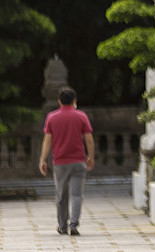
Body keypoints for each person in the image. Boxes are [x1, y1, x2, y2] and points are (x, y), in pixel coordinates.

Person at [39, 87, 95, 236]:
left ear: (59, 101)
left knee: (61, 195)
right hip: (78, 161)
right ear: (74, 101)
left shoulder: (52, 117)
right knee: (76, 195)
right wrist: (91, 156)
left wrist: (43, 159)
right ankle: (74, 225)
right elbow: (89, 139)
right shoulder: (81, 116)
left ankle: (62, 226)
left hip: (60, 163)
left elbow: (47, 141)